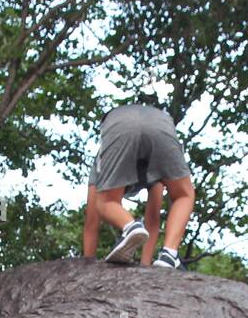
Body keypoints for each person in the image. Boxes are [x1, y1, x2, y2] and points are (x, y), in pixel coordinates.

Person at [83, 102, 195, 268]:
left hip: (119, 126)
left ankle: (130, 226)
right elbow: (153, 217)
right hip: (161, 126)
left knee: (104, 202)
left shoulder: (102, 160)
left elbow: (92, 222)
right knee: (184, 194)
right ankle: (169, 254)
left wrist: (87, 264)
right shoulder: (154, 170)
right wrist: (145, 266)